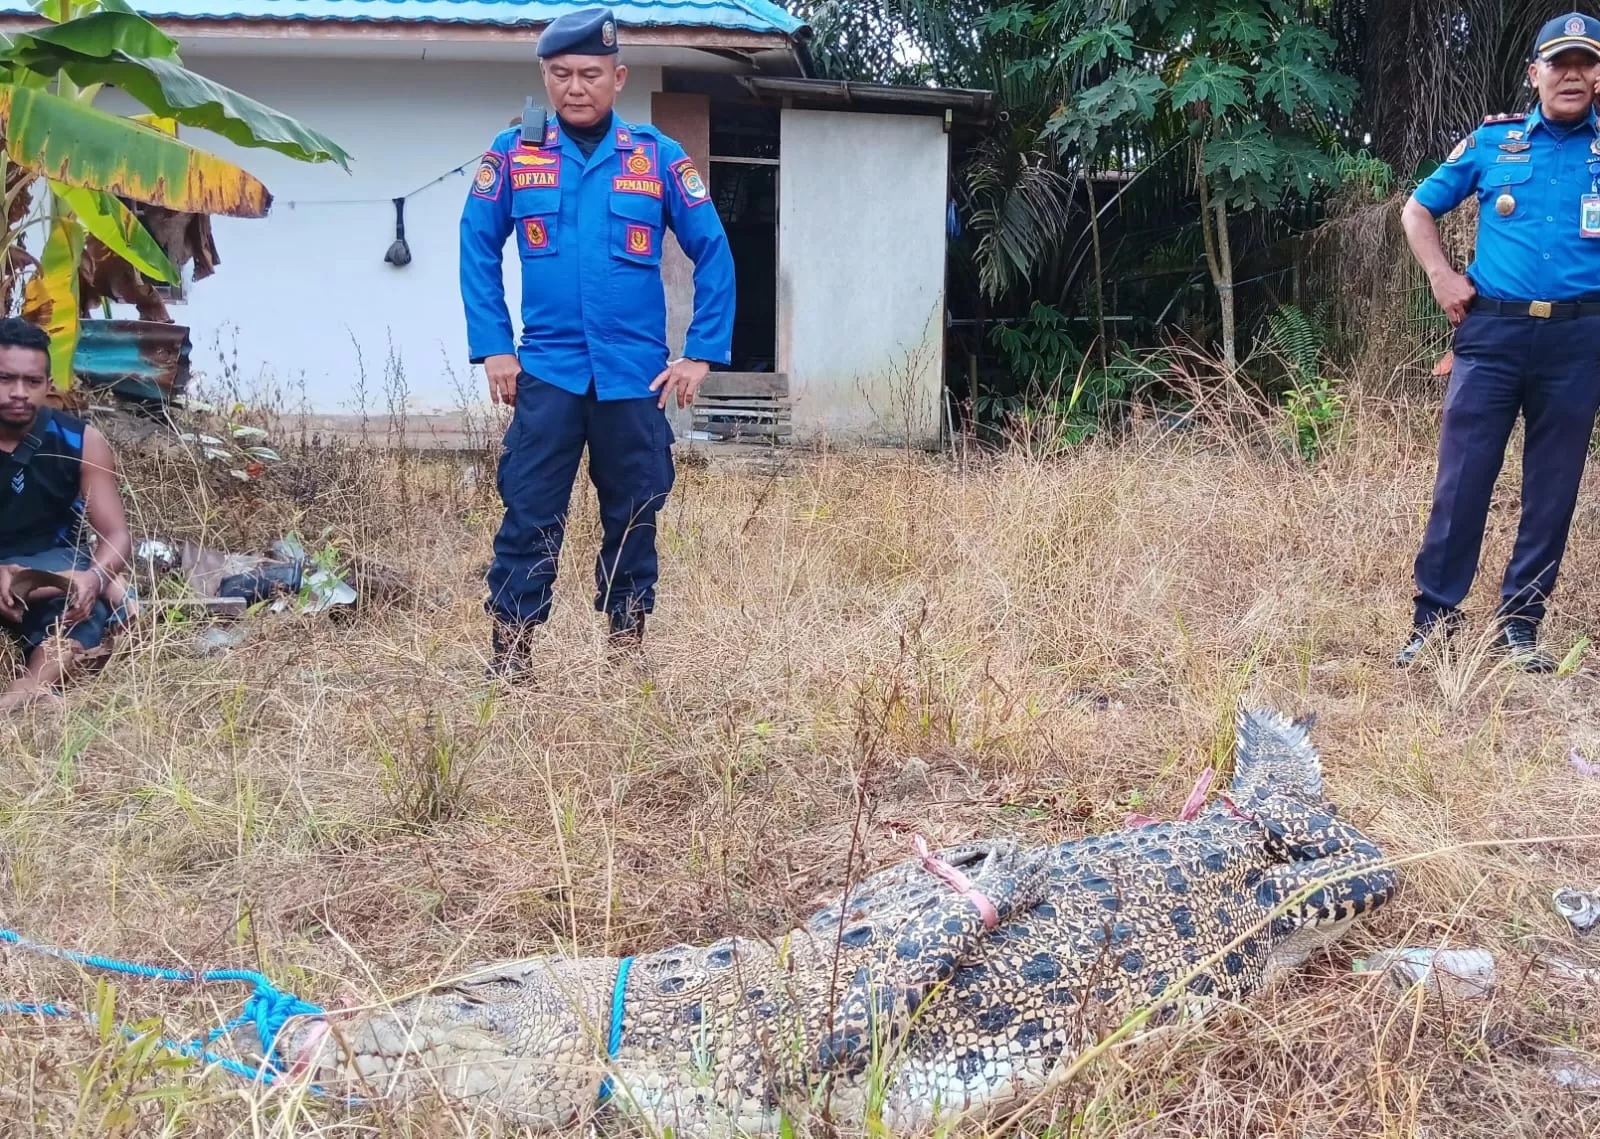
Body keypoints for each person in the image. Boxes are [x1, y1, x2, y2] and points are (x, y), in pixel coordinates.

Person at [459, 6, 736, 680]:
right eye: (559, 74)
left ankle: (626, 649)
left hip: (633, 378)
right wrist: (495, 346)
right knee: (529, 514)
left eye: (588, 74)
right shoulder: (515, 154)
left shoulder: (656, 158)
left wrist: (699, 353)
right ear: (545, 78)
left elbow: (714, 252)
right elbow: (476, 245)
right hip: (547, 374)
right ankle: (512, 659)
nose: (573, 87)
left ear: (618, 78)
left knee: (635, 513)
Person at [1396, 11, 1600, 673]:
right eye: (1559, 63)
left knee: (1553, 487)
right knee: (1462, 479)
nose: (1572, 75)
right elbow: (1417, 208)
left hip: (1580, 339)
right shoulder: (1494, 144)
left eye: (1585, 64)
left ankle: (1520, 626)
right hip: (1491, 334)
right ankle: (1434, 620)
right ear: (1534, 73)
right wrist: (1440, 276)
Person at [0, 317, 133, 710]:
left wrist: (95, 578)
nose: (19, 393)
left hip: (48, 569)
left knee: (81, 614)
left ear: (48, 383)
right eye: (5, 379)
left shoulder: (79, 439)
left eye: (33, 382)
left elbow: (116, 535)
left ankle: (23, 693)